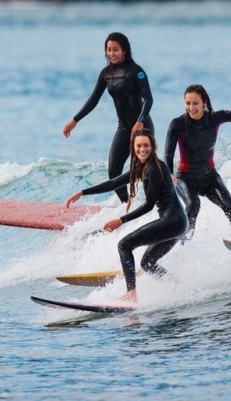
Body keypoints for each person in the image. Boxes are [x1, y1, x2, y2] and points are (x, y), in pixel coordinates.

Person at [66, 129, 188, 303]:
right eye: (138, 146)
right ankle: (177, 287)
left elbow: (148, 206)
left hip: (172, 221)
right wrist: (83, 192)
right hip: (176, 223)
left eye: (146, 145)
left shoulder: (155, 168)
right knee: (148, 263)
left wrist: (121, 220)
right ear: (133, 147)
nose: (142, 149)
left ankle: (131, 294)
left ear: (152, 147)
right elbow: (114, 183)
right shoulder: (142, 167)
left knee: (124, 245)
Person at [62, 32, 154, 203]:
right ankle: (127, 206)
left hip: (142, 129)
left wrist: (140, 120)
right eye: (109, 50)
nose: (112, 53)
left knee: (144, 171)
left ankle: (153, 205)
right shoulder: (106, 73)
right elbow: (93, 99)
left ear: (124, 50)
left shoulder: (136, 71)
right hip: (123, 128)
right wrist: (74, 120)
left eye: (116, 50)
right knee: (113, 172)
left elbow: (149, 99)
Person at [164, 85, 231, 238]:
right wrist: (169, 175)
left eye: (195, 103)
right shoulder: (177, 124)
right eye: (188, 103)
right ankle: (183, 245)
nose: (191, 107)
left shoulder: (215, 118)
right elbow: (168, 154)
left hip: (209, 177)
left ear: (204, 103)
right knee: (193, 206)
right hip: (185, 179)